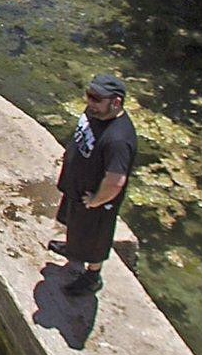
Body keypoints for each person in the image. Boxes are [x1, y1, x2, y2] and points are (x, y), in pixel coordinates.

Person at [49, 72, 138, 296]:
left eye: (97, 99)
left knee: (94, 239)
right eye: (89, 95)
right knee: (73, 223)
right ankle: (72, 249)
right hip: (76, 186)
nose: (90, 102)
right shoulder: (95, 113)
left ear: (116, 102)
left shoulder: (119, 138)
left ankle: (92, 276)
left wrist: (96, 200)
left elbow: (115, 181)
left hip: (95, 199)